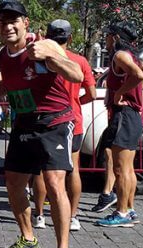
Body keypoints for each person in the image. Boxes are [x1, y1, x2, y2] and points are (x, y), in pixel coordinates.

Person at [0, 0, 83, 248]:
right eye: (3, 21)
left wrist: (49, 56)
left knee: (55, 183)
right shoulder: (2, 56)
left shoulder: (44, 45)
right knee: (14, 183)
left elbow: (76, 74)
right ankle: (28, 239)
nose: (8, 26)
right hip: (24, 122)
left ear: (25, 23)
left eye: (14, 20)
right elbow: (9, 84)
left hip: (55, 122)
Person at [31, 20, 97, 231]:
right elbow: (92, 94)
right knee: (73, 170)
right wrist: (77, 102)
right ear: (69, 38)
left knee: (42, 171)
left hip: (48, 119)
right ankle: (73, 216)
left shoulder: (43, 59)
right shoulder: (80, 61)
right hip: (73, 121)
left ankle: (39, 215)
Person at [96, 21, 143, 228]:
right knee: (127, 168)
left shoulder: (120, 56)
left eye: (109, 36)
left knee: (121, 169)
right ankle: (129, 210)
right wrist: (135, 91)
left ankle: (121, 212)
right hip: (131, 116)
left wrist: (122, 93)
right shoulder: (133, 58)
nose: (106, 40)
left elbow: (140, 75)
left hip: (124, 115)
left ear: (116, 37)